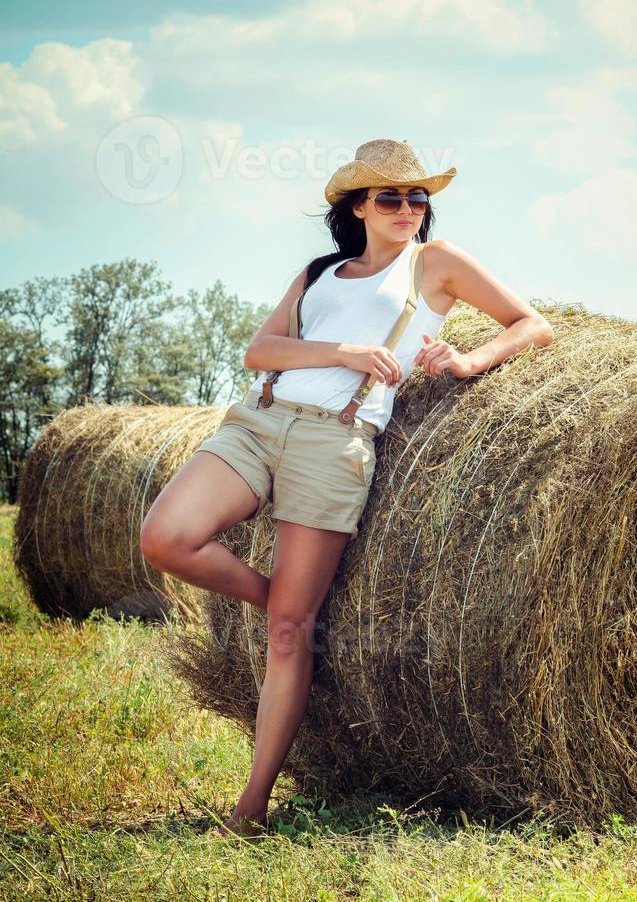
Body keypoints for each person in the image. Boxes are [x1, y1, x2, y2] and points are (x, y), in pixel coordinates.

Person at [139, 138, 554, 840]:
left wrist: (468, 358)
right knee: (166, 537)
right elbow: (259, 351)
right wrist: (340, 350)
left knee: (286, 637)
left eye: (418, 196)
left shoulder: (437, 263)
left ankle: (251, 808)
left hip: (337, 439)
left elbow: (533, 324)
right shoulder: (319, 272)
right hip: (260, 419)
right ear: (357, 206)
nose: (408, 208)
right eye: (390, 196)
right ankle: (283, 600)